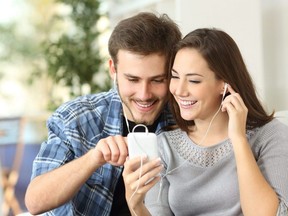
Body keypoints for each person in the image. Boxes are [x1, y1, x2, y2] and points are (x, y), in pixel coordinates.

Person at [24, 12, 181, 215]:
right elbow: (35, 202)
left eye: (158, 80)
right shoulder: (76, 118)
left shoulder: (184, 120)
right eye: (132, 80)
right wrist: (93, 158)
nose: (144, 94)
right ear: (112, 70)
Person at [123, 28, 288, 216]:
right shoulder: (165, 145)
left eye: (193, 80)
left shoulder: (270, 135)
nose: (179, 90)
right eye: (175, 76)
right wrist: (136, 206)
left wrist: (238, 139)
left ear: (224, 84)